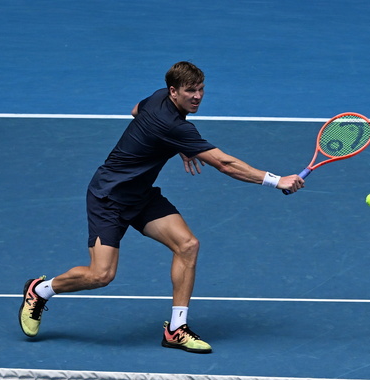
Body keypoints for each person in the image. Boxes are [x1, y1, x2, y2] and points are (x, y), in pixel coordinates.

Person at [18, 61, 305, 353]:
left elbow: (135, 110)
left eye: (201, 89)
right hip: (109, 198)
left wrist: (175, 144)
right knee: (100, 275)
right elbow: (224, 163)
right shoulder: (174, 125)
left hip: (141, 195)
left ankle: (176, 329)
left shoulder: (157, 98)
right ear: (173, 91)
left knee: (188, 245)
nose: (197, 96)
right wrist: (276, 180)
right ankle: (40, 290)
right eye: (190, 91)